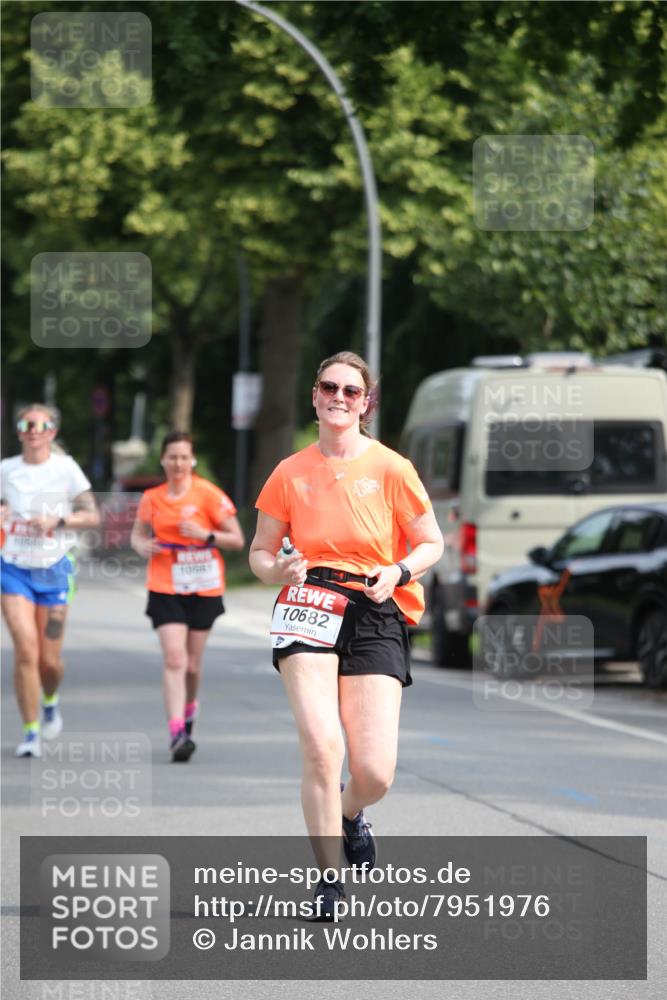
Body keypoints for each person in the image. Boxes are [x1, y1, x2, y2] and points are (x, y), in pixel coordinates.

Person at [249, 351, 444, 918]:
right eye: (329, 387)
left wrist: (401, 570)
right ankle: (329, 880)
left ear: (366, 403)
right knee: (321, 746)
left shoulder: (391, 467)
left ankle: (349, 813)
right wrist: (277, 571)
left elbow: (431, 542)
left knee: (375, 771)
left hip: (375, 606)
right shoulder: (289, 472)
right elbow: (261, 553)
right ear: (314, 396)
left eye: (351, 392)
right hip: (308, 601)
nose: (339, 397)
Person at [131, 432, 244, 762]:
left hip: (203, 585)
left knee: (192, 666)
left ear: (191, 461)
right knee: (175, 659)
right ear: (163, 460)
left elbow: (236, 539)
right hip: (165, 585)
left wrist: (205, 534)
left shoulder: (207, 494)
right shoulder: (151, 498)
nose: (178, 463)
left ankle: (190, 711)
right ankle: (177, 731)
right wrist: (141, 545)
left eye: (184, 457)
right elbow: (138, 533)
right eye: (172, 457)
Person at [1, 404, 100, 758]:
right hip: (12, 568)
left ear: (52, 432)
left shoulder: (66, 469)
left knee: (49, 662)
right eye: (25, 424)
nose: (32, 429)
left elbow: (91, 515)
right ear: (19, 431)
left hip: (55, 568)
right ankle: (30, 733)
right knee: (26, 650)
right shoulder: (6, 470)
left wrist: (57, 522)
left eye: (40, 424)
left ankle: (50, 698)